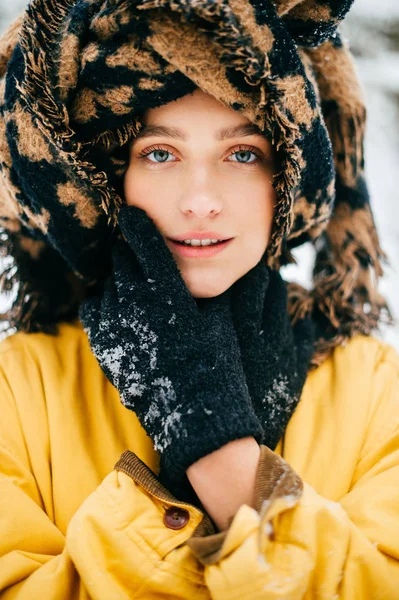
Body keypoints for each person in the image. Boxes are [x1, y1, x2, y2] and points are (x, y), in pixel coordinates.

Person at [0, 0, 398, 597]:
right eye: (160, 153)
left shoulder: (374, 390)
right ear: (107, 178)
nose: (201, 201)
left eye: (243, 154)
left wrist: (217, 449)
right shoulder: (18, 389)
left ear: (287, 177)